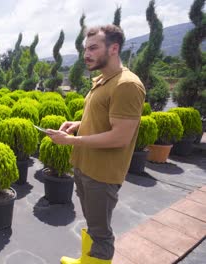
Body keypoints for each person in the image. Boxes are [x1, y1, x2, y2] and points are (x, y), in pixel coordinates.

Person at [46, 25, 146, 264]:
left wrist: (71, 140)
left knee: (101, 233)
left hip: (102, 174)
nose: (86, 54)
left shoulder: (126, 85)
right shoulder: (103, 80)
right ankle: (85, 260)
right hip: (85, 165)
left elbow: (120, 136)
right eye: (85, 49)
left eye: (93, 48)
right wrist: (77, 123)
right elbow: (101, 119)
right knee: (92, 223)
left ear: (113, 48)